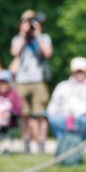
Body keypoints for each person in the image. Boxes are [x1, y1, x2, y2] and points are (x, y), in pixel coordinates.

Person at [10, 10, 53, 154]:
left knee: (40, 113)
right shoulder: (18, 39)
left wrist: (38, 34)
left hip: (38, 79)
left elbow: (47, 53)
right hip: (22, 80)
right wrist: (23, 34)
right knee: (24, 114)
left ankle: (41, 143)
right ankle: (26, 143)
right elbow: (15, 52)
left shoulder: (43, 37)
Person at [46, 57, 86, 143]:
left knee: (82, 121)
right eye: (77, 71)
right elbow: (53, 106)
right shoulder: (62, 86)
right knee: (55, 120)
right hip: (64, 119)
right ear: (72, 71)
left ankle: (70, 144)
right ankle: (66, 144)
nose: (80, 74)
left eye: (82, 71)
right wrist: (51, 115)